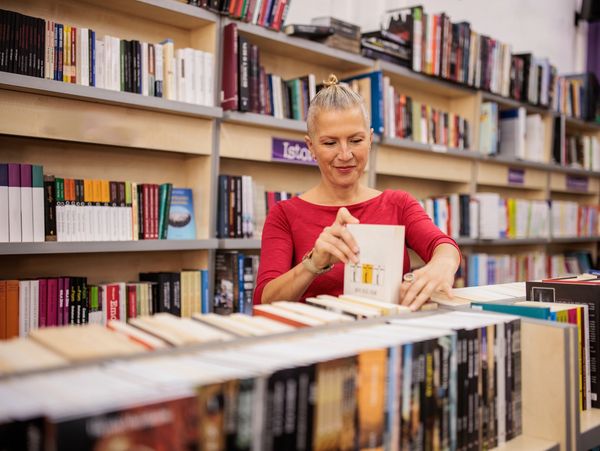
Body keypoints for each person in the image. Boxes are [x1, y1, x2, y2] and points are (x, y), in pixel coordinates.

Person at [253, 74, 461, 311]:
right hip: (317, 343)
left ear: (370, 140)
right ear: (311, 147)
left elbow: (442, 245)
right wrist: (313, 264)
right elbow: (262, 301)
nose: (344, 154)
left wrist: (443, 263)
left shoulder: (398, 204)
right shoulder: (284, 214)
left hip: (385, 339)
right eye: (330, 143)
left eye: (355, 140)